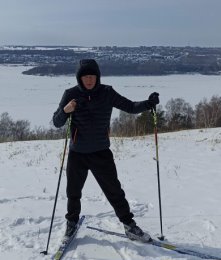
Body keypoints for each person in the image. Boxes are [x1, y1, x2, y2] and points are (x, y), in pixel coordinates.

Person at [53, 59, 159, 242]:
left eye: (92, 76)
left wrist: (148, 104)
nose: (89, 80)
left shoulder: (107, 92)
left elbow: (130, 107)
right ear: (79, 78)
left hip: (101, 153)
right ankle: (71, 224)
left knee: (115, 192)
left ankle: (129, 226)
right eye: (85, 76)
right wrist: (65, 109)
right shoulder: (70, 94)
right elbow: (57, 122)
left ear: (97, 76)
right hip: (77, 154)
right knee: (73, 193)